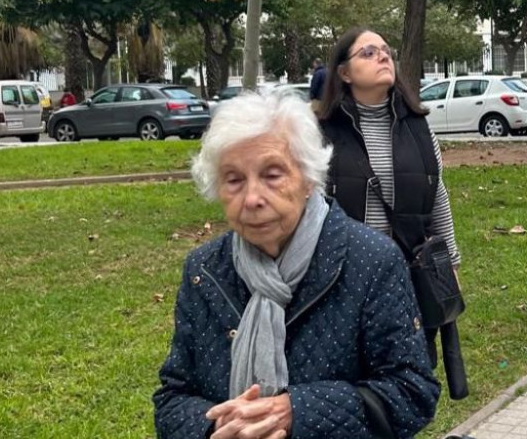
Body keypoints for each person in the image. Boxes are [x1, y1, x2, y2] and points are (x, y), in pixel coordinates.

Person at [152, 91, 440, 438]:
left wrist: (297, 413)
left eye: (272, 175)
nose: (253, 199)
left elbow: (412, 393)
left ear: (308, 179)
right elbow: (172, 397)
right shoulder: (204, 270)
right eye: (234, 179)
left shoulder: (372, 260)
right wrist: (219, 425)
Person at [315, 28, 464, 377]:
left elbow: (437, 196)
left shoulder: (419, 127)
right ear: (344, 73)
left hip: (409, 272)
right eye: (368, 52)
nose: (383, 56)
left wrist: (451, 264)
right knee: (352, 370)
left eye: (385, 50)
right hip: (344, 276)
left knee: (407, 371)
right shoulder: (322, 132)